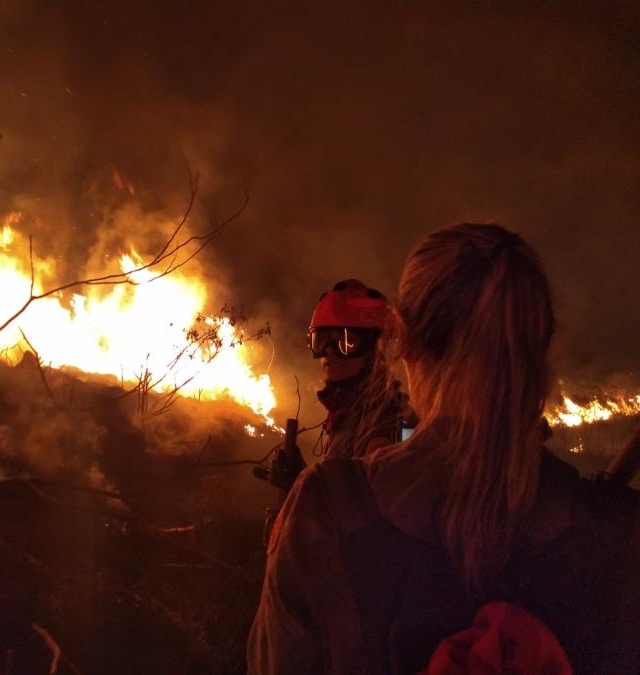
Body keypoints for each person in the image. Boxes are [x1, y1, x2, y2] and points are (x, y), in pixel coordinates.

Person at [248, 224, 639, 674]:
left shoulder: (326, 510)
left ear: (401, 338)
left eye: (348, 341)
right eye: (323, 341)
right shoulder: (621, 536)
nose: (331, 355)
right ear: (537, 350)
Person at [306, 279, 408, 459]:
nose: (329, 351)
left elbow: (373, 487)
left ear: (374, 350)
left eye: (347, 341)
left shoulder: (384, 422)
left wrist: (311, 485)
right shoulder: (347, 412)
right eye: (321, 340)